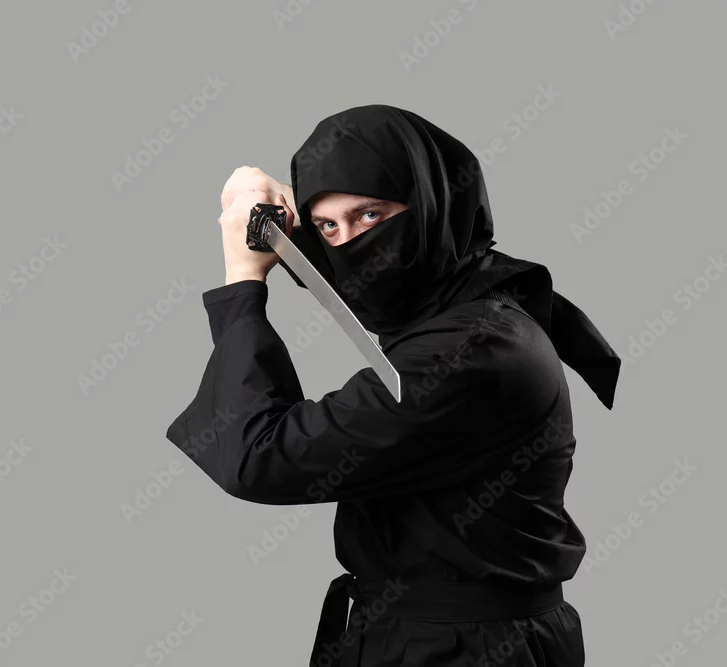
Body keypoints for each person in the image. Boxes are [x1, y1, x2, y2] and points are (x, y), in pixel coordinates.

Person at [164, 105, 621, 667]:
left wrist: (243, 277)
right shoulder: (468, 302)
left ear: (429, 203)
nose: (351, 244)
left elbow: (259, 456)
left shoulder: (468, 352)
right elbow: (365, 273)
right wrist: (276, 217)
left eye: (370, 214)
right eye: (329, 227)